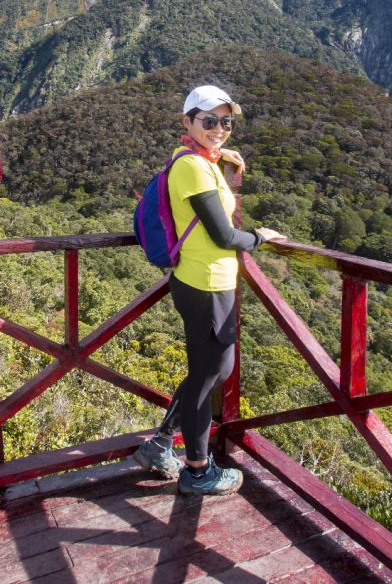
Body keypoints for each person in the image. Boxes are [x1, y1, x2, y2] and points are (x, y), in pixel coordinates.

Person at [134, 84, 285, 495]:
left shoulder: (200, 162)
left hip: (200, 281)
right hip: (206, 285)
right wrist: (259, 237)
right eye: (209, 121)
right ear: (188, 122)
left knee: (208, 370)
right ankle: (198, 470)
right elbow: (223, 235)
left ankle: (161, 444)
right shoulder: (193, 168)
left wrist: (221, 161)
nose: (219, 128)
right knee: (210, 374)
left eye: (226, 121)